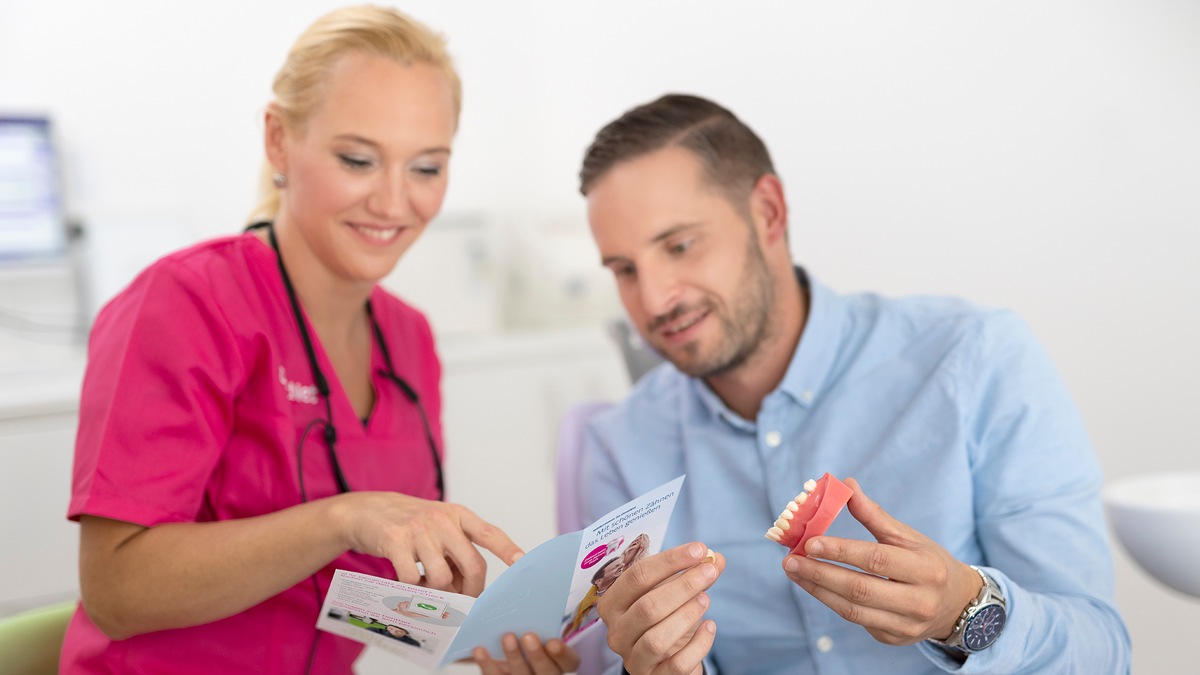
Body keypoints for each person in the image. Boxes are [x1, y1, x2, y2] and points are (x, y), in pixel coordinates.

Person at [62, 6, 576, 673]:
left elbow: (358, 600)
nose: (393, 202)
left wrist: (484, 647)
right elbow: (116, 591)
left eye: (426, 168)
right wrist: (340, 519)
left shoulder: (409, 340)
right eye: (358, 159)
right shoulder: (185, 303)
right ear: (279, 140)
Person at [574, 94, 1133, 674]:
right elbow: (622, 657)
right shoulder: (618, 445)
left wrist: (960, 612)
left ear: (768, 212)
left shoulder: (977, 359)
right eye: (624, 270)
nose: (653, 300)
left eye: (680, 246)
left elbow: (1103, 654)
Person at [561, 556, 626, 639]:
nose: (622, 565)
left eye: (621, 563)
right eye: (615, 567)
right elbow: (570, 625)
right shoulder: (583, 604)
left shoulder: (620, 596)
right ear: (599, 581)